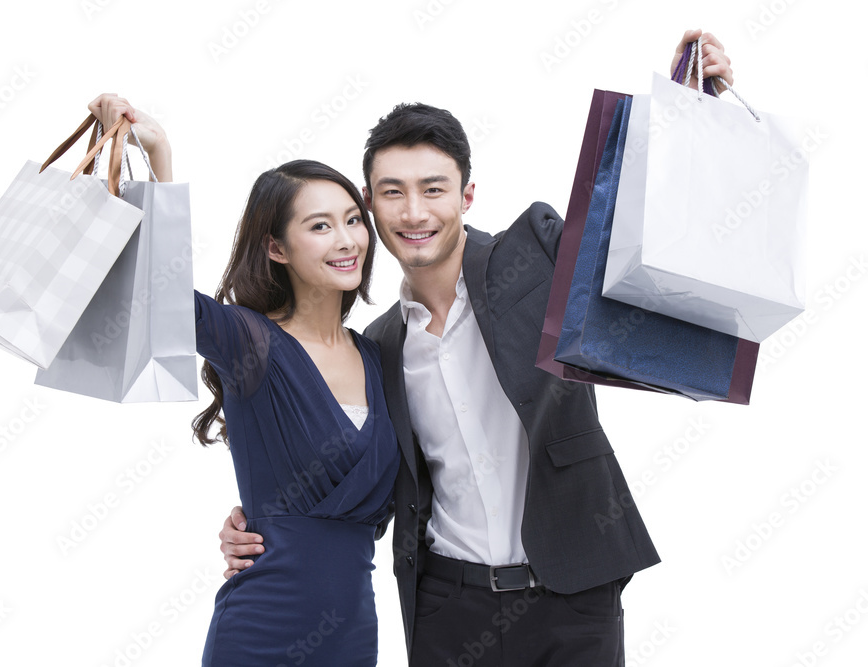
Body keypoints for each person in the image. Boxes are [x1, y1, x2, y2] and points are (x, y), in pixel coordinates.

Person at [218, 30, 735, 665]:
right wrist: (270, 520)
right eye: (392, 192)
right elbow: (360, 468)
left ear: (467, 195)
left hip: (574, 598)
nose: (414, 212)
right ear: (370, 208)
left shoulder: (538, 258)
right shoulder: (376, 349)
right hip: (445, 609)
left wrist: (691, 120)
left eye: (434, 189)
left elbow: (636, 245)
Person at [86, 95, 401, 665]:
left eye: (354, 219)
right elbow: (160, 292)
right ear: (277, 248)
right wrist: (159, 154)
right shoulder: (251, 342)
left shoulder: (378, 356)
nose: (348, 240)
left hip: (354, 635)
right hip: (262, 633)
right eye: (320, 226)